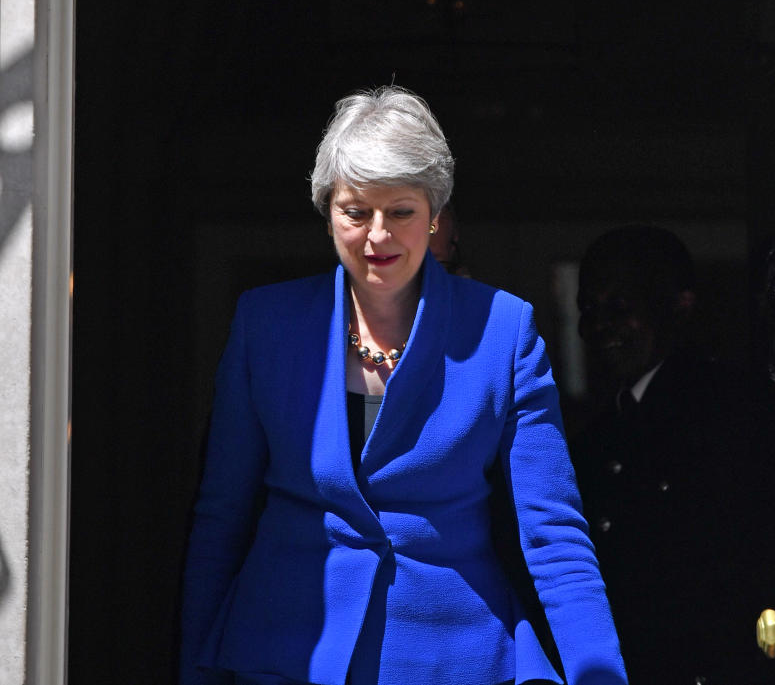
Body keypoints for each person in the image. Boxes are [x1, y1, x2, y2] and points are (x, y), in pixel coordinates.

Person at [180, 86, 627, 685]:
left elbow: (555, 538)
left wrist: (600, 677)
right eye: (356, 211)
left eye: (401, 211)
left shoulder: (503, 331)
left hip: (455, 658)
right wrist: (195, 668)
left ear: (435, 213)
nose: (378, 236)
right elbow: (221, 517)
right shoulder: (266, 324)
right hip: (285, 654)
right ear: (327, 209)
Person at [571, 225, 767, 685]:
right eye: (588, 309)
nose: (599, 326)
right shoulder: (600, 434)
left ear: (679, 305)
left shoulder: (729, 413)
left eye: (620, 307)